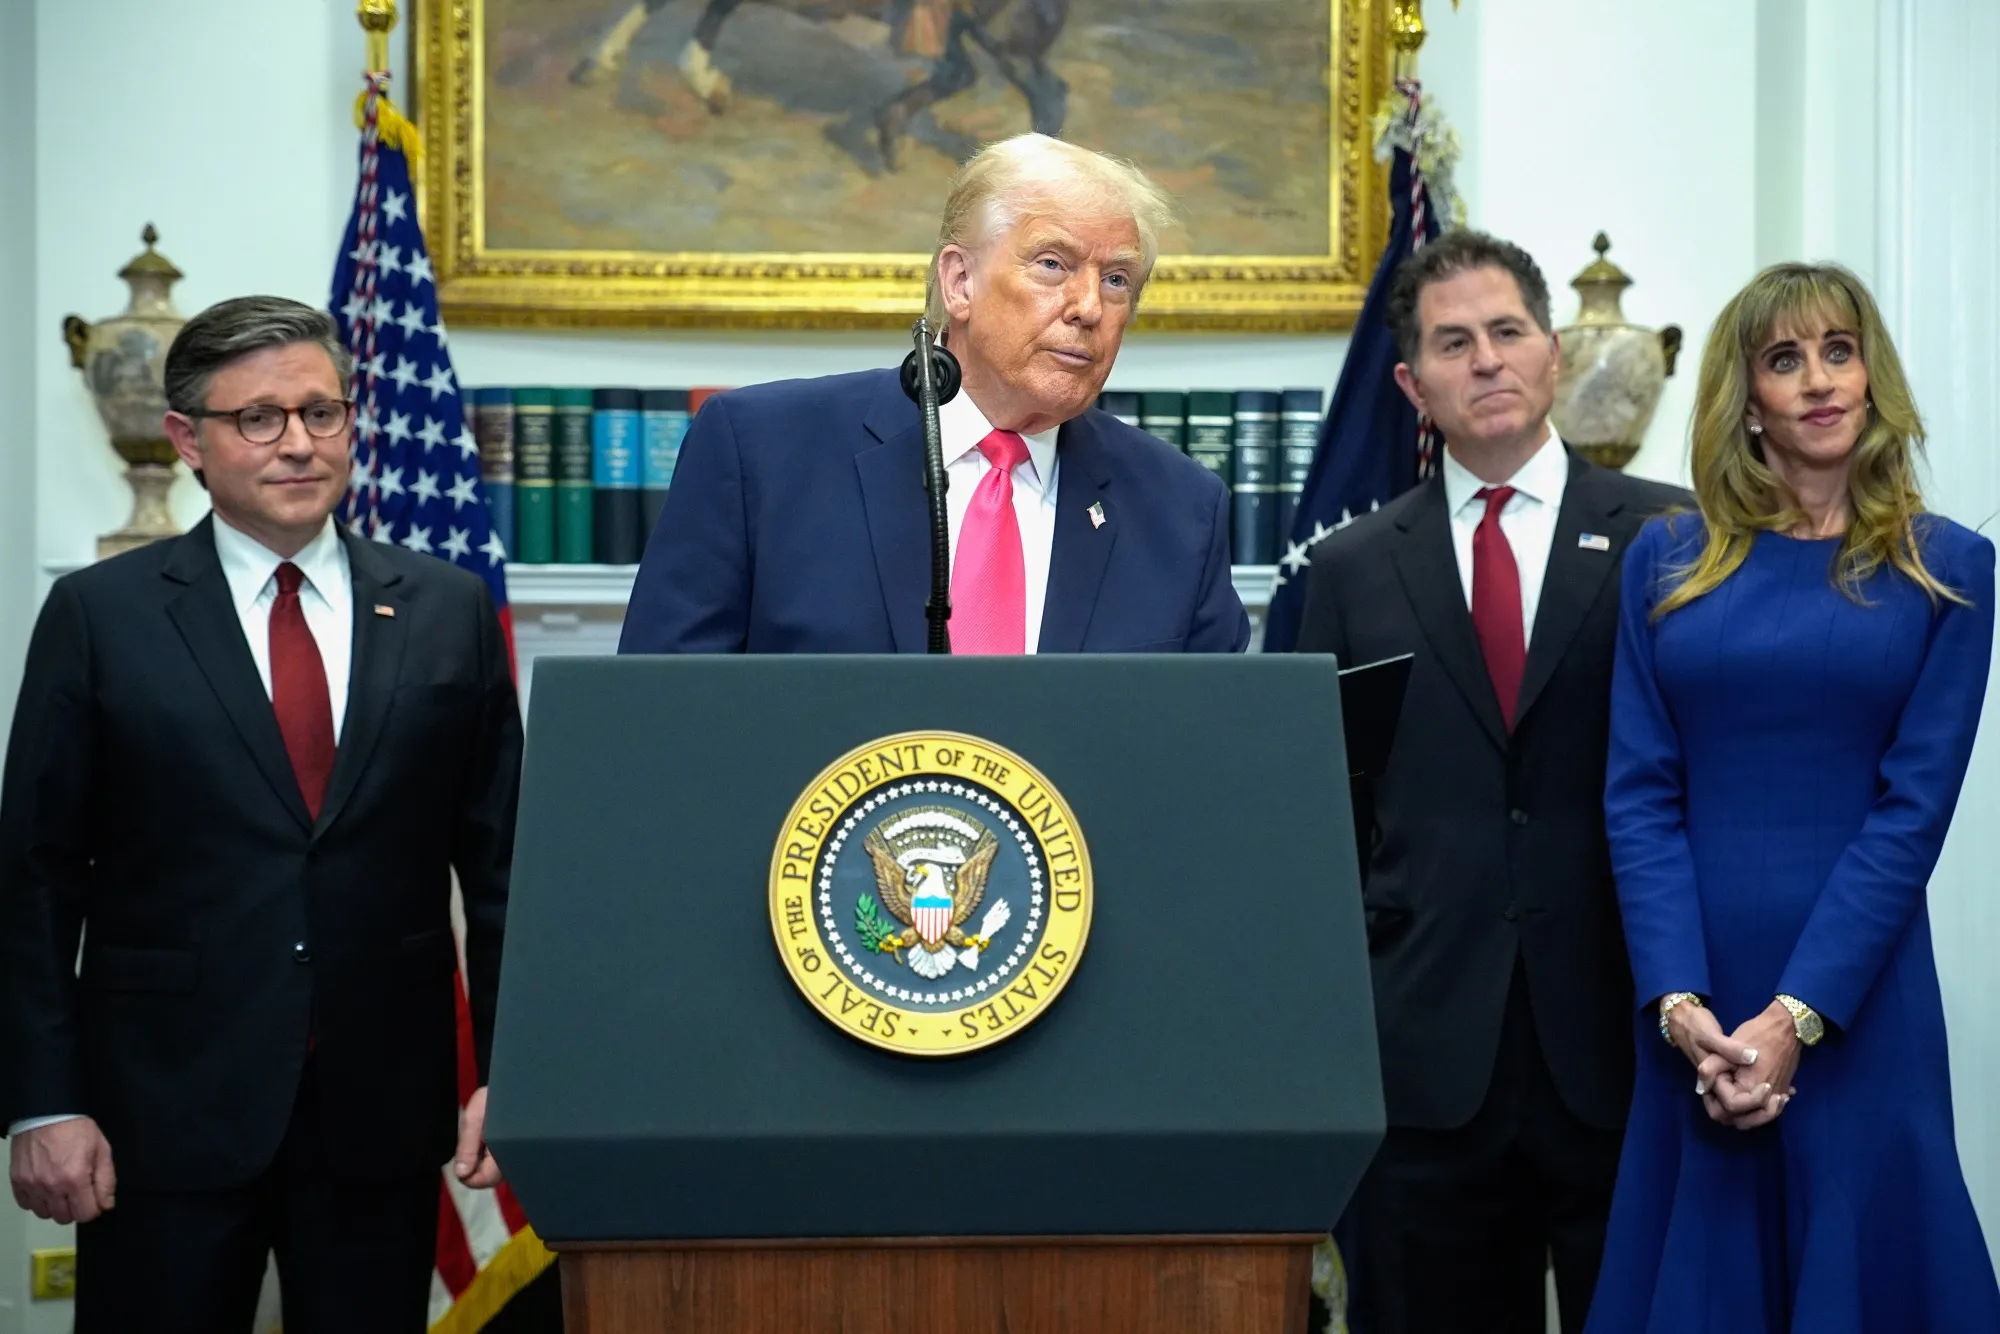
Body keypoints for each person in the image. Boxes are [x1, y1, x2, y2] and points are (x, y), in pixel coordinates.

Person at [0, 297, 521, 1334]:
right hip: (163, 1110)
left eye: (322, 412)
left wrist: (518, 1074)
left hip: (380, 1110)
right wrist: (44, 1101)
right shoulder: (102, 616)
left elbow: (505, 864)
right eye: (261, 419)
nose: (299, 443)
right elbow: (35, 873)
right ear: (188, 439)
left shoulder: (445, 607)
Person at [1588, 262, 2000, 1331]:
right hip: (1694, 1004)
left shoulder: (1946, 569)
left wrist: (1795, 1015)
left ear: (1871, 379)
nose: (1816, 380)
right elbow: (1637, 797)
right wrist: (1682, 1009)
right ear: (1748, 400)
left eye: (1836, 350)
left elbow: (1910, 817)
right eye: (1783, 359)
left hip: (1859, 1000)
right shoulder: (1663, 561)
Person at [1295, 230, 1686, 1333]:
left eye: (1506, 332)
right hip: (1421, 1056)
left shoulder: (1671, 536)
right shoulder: (1347, 569)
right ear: (1412, 384)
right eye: (1452, 343)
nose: (1485, 361)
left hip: (1627, 1039)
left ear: (1552, 351)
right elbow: (1321, 816)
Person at [618, 132, 1249, 656]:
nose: (1088, 307)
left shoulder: (1181, 509)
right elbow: (660, 724)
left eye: (1117, 280)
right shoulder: (759, 453)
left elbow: (1214, 760)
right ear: (960, 281)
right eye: (1052, 264)